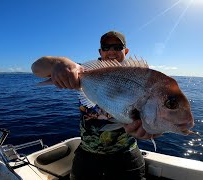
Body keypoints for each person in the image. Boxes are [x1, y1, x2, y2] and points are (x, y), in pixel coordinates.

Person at [31, 31, 157, 180]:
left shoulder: (140, 77)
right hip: (87, 155)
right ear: (100, 51)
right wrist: (59, 63)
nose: (111, 51)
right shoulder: (84, 71)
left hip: (126, 155)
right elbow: (36, 68)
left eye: (117, 47)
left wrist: (153, 127)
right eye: (106, 47)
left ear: (126, 51)